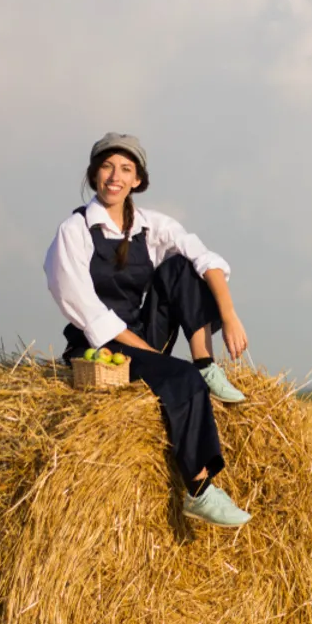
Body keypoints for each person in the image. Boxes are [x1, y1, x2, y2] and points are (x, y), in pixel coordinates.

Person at [43, 132, 252, 527]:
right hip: (100, 345)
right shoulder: (74, 231)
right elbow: (87, 311)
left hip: (140, 330)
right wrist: (155, 359)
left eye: (125, 168)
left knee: (181, 267)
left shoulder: (150, 225)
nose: (114, 176)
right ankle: (199, 490)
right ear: (93, 175)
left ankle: (205, 360)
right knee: (180, 379)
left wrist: (229, 316)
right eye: (106, 167)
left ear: (138, 179)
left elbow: (204, 258)